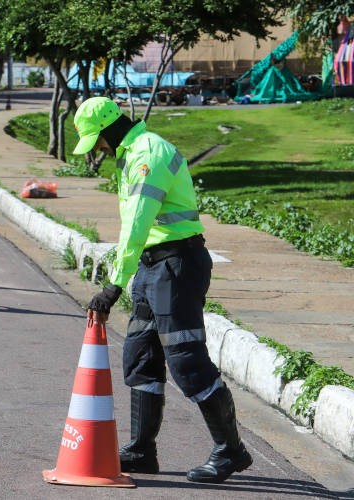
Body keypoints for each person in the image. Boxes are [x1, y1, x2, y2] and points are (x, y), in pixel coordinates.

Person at [74, 96, 252, 484]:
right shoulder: (130, 153)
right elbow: (137, 232)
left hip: (177, 266)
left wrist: (113, 285)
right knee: (140, 357)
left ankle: (231, 451)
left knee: (186, 359)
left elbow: (137, 224)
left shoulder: (148, 154)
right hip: (152, 267)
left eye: (96, 140)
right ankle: (141, 450)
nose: (98, 150)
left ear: (107, 130)